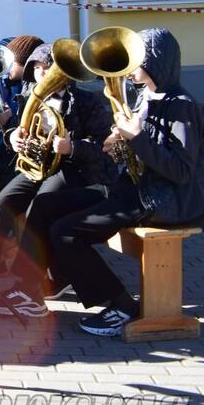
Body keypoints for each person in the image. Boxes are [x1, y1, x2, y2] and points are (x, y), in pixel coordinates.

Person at [11, 28, 203, 336]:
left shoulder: (181, 105)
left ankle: (121, 305)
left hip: (162, 199)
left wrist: (136, 138)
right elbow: (140, 151)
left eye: (137, 60)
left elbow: (180, 170)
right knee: (46, 205)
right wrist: (118, 143)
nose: (129, 68)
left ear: (155, 61)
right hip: (131, 187)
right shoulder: (146, 96)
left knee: (67, 232)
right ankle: (35, 285)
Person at [0, 43, 113, 315]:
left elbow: (104, 149)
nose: (40, 74)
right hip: (38, 166)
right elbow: (18, 128)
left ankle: (28, 287)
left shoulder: (88, 100)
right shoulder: (29, 95)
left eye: (46, 68)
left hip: (73, 170)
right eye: (36, 68)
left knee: (40, 207)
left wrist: (73, 147)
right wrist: (12, 137)